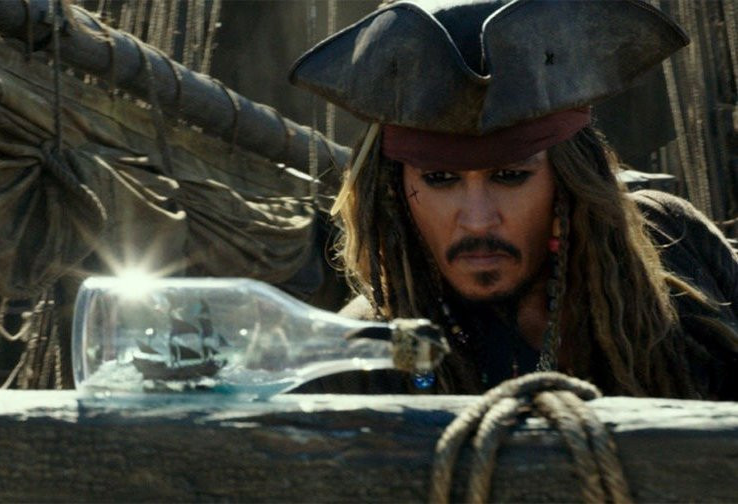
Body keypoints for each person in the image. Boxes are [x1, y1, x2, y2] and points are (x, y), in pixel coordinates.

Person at [289, 0, 737, 399]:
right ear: (395, 192)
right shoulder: (373, 355)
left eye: (510, 176)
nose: (478, 220)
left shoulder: (675, 247)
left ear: (568, 181)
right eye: (441, 179)